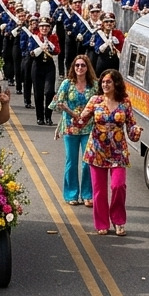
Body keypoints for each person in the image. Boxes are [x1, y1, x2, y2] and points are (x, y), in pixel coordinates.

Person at [73, 70, 140, 236]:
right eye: (103, 82)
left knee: (118, 186)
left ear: (116, 83)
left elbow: (131, 127)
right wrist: (74, 115)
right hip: (97, 151)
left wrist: (136, 130)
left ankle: (118, 221)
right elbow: (81, 122)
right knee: (99, 190)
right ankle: (102, 223)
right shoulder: (95, 101)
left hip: (118, 152)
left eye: (108, 82)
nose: (104, 84)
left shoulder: (124, 102)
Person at [52, 55, 95, 206]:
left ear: (87, 67)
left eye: (83, 65)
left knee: (87, 163)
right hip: (70, 129)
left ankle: (87, 195)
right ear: (73, 67)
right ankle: (71, 195)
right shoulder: (67, 84)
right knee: (71, 161)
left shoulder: (94, 85)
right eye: (77, 65)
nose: (80, 68)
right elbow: (56, 103)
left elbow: (101, 104)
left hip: (88, 128)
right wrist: (64, 109)